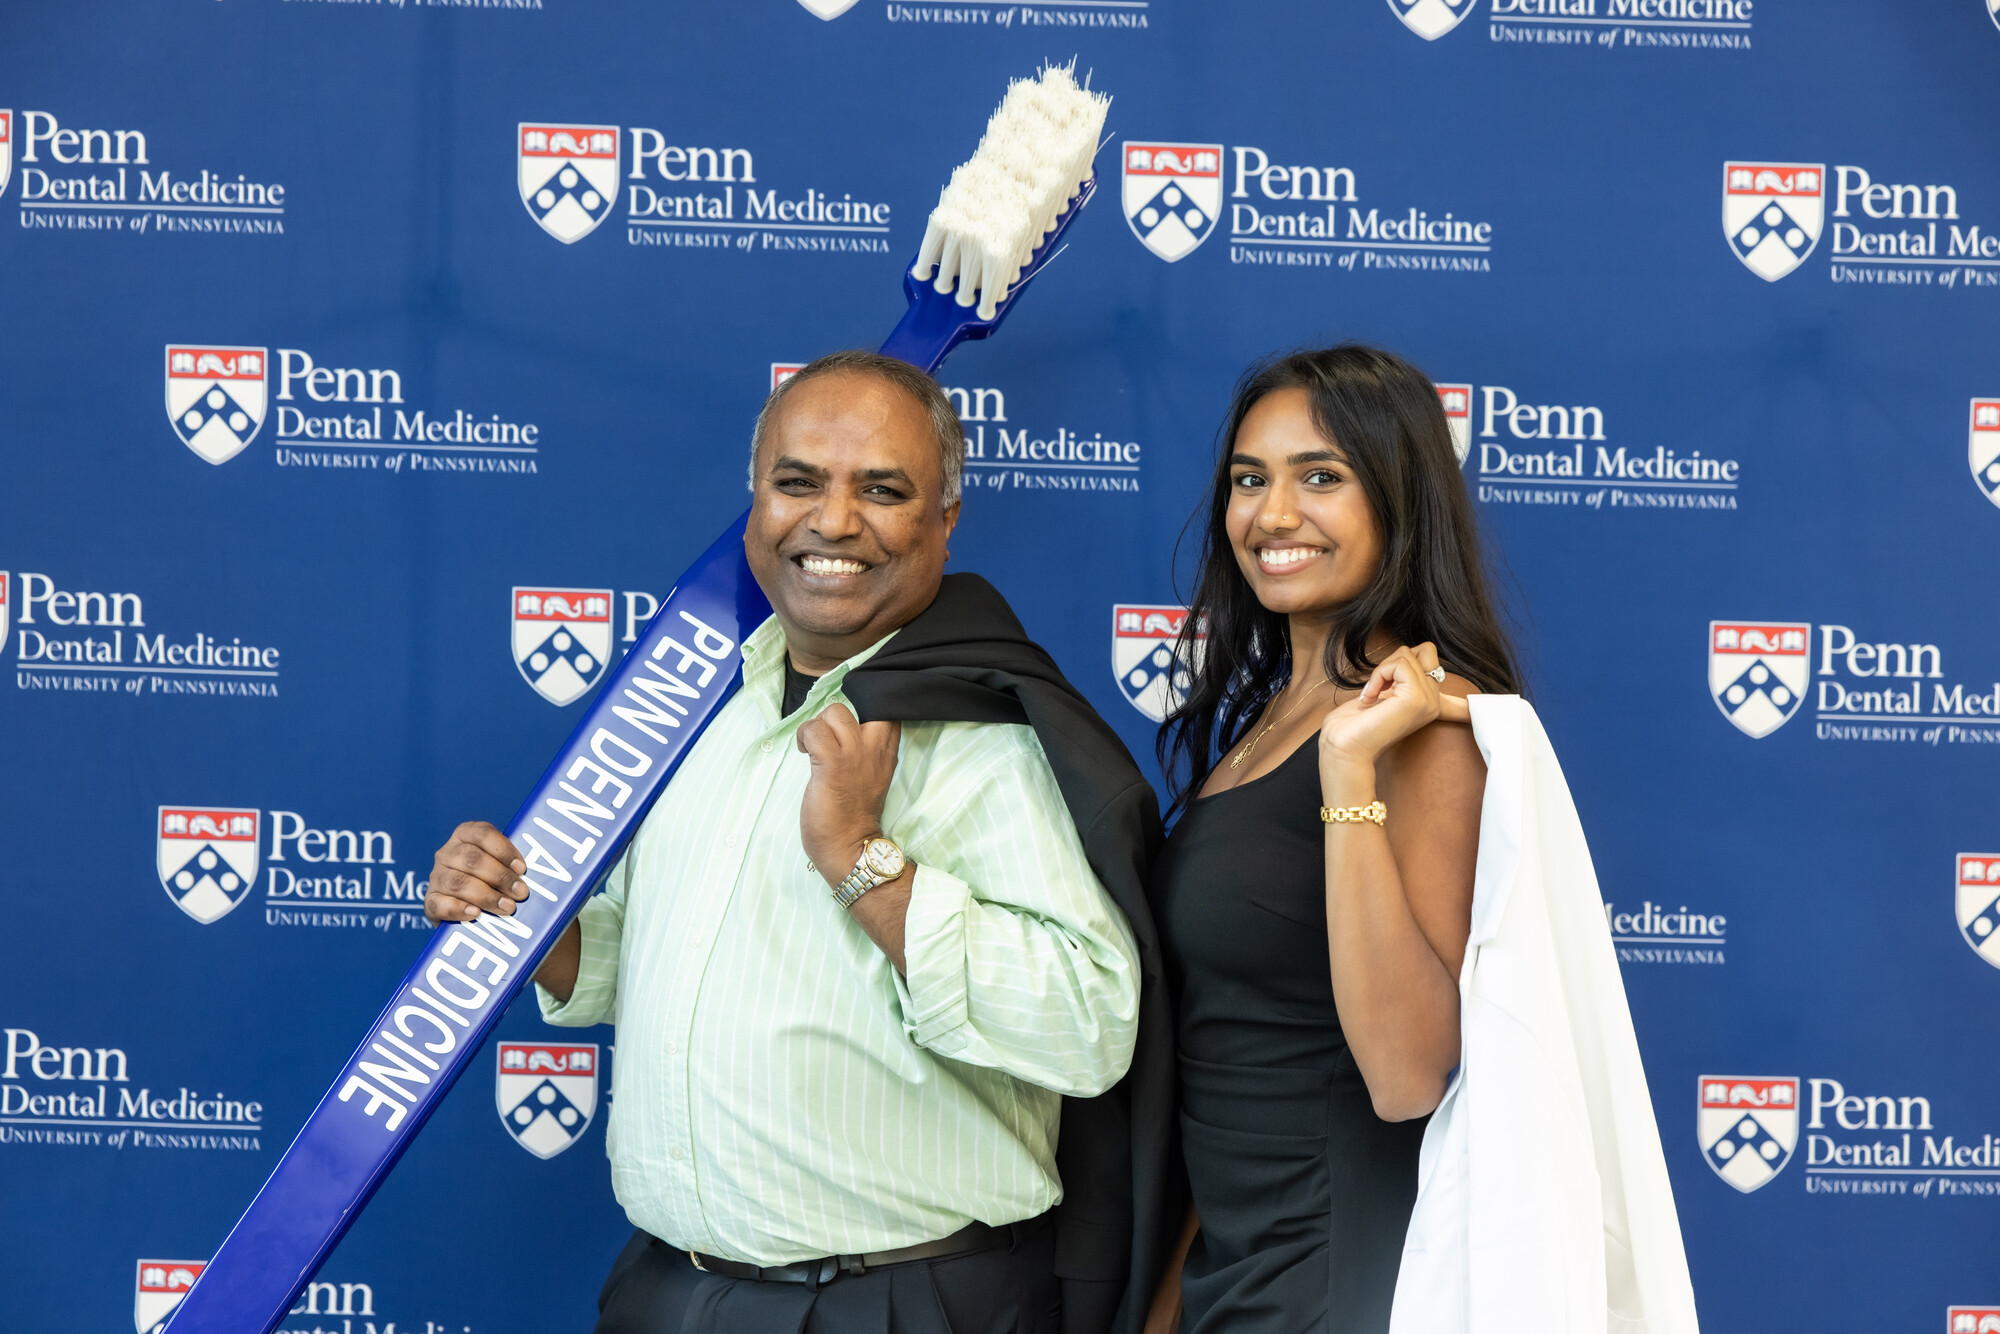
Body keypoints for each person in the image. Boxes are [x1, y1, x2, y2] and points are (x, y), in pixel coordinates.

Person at [425, 351, 1162, 1334]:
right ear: (754, 502)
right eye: (797, 482)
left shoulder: (988, 740)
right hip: (668, 1292)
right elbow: (637, 965)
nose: (833, 520)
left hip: (897, 1303)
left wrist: (861, 858)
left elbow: (1088, 1023)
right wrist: (522, 916)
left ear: (942, 519)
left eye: (883, 489)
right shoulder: (698, 715)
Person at [1142, 345, 1523, 1334]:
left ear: (1397, 497)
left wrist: (1347, 771)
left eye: (1320, 476)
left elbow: (1405, 1074)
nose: (1271, 515)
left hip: (1335, 1267)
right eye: (1247, 479)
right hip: (1229, 1254)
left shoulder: (1425, 730)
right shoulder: (1272, 715)